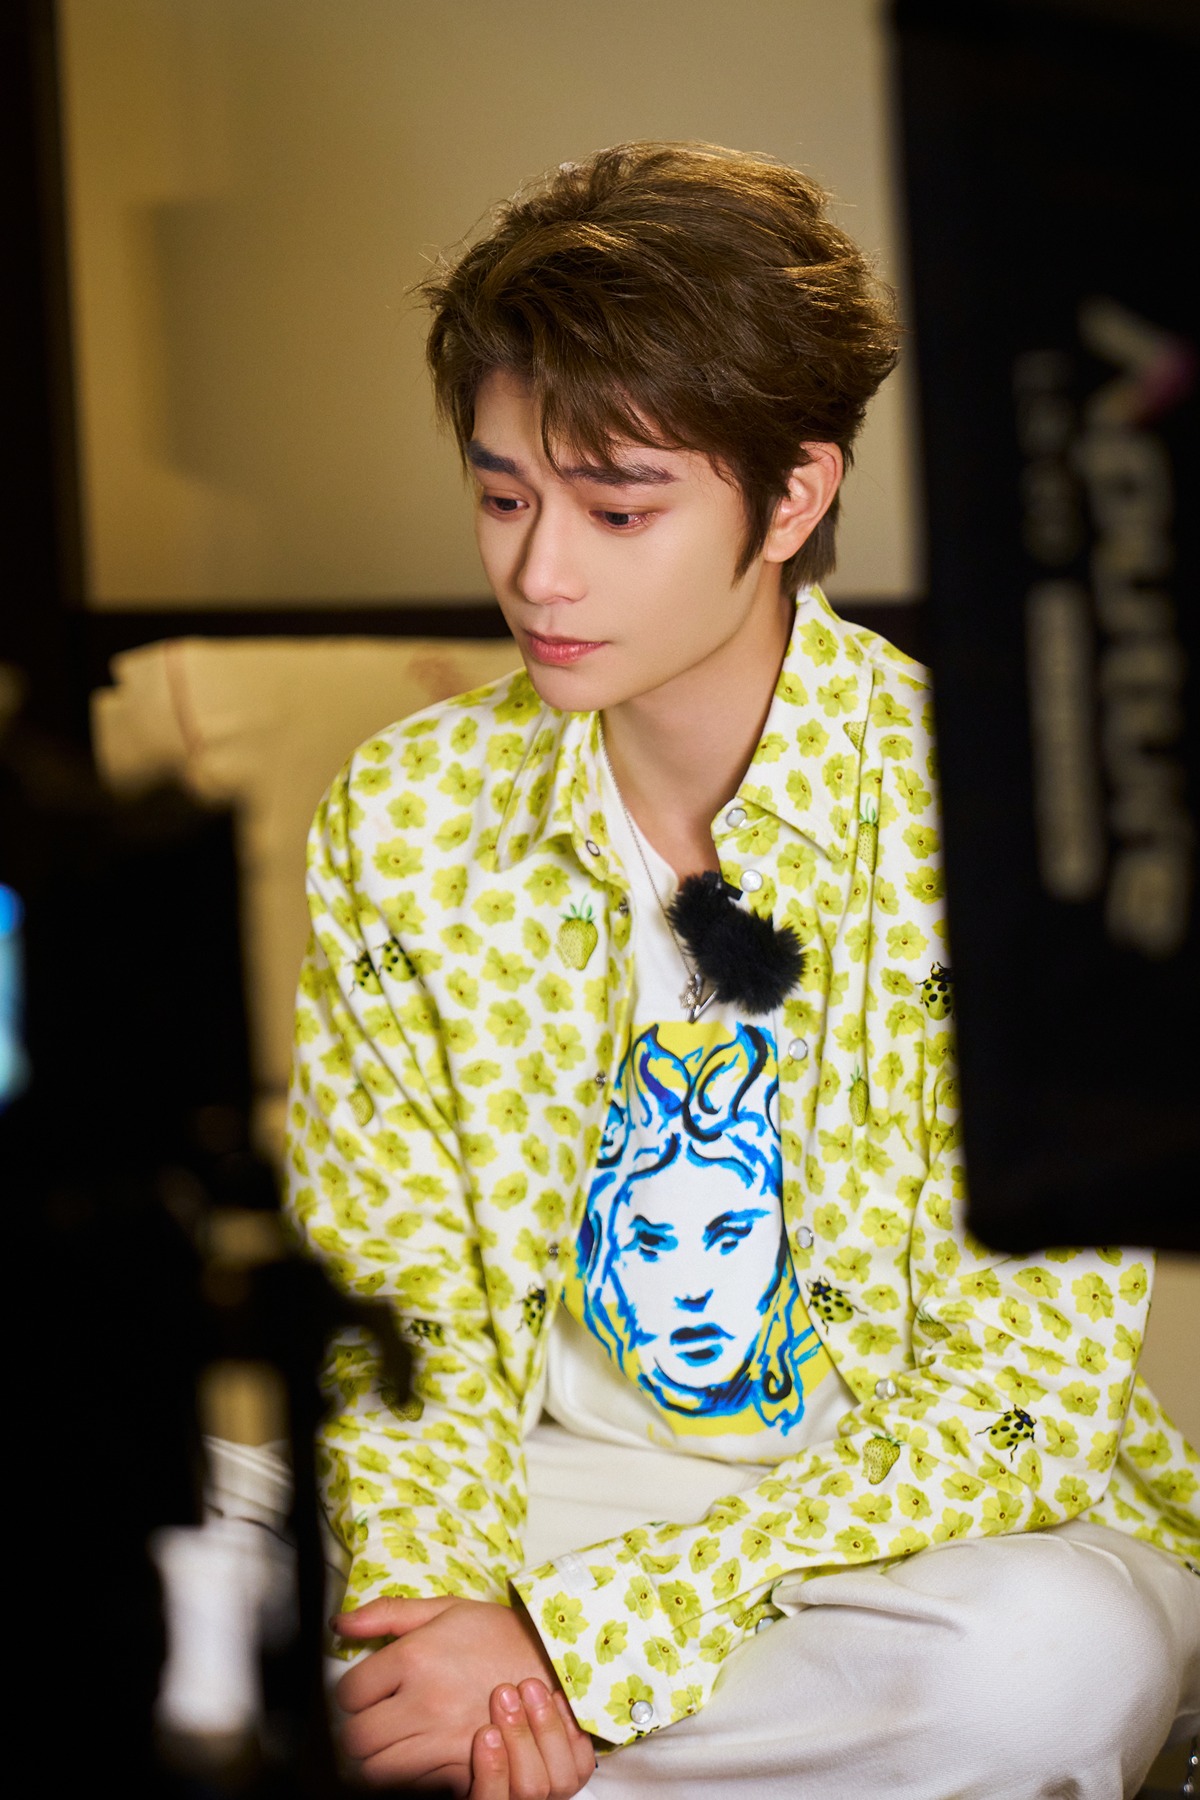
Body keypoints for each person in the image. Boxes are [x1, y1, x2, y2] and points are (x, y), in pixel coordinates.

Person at [284, 142, 1200, 1798]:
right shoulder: (408, 814)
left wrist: (575, 1642)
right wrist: (437, 1605)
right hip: (539, 1491)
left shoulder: (1008, 820)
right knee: (135, 1525)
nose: (541, 575)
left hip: (901, 1530)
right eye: (504, 496)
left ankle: (499, 1750)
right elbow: (393, 1292)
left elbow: (1024, 1396)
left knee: (1052, 1664)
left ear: (791, 498)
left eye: (619, 509)